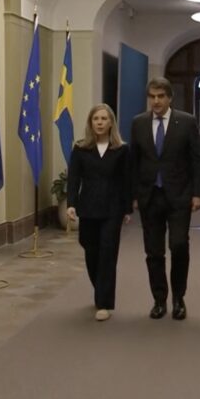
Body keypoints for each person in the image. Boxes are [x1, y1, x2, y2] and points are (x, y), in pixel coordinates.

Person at [130, 77, 200, 321]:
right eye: (152, 96)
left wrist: (198, 193)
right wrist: (133, 195)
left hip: (179, 195)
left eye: (161, 96)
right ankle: (159, 300)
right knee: (153, 252)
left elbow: (196, 160)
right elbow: (134, 161)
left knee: (179, 245)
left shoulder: (186, 122)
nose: (156, 101)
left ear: (169, 98)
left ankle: (178, 298)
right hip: (150, 196)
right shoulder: (139, 123)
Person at [67, 104, 132, 321]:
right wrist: (71, 204)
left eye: (104, 118)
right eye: (96, 119)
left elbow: (126, 180)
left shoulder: (121, 150)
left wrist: (127, 208)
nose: (100, 122)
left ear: (111, 122)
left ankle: (104, 302)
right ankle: (99, 289)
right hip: (88, 207)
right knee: (91, 250)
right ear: (90, 122)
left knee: (107, 252)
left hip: (113, 208)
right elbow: (74, 178)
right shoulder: (80, 149)